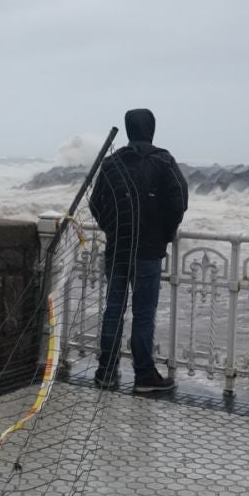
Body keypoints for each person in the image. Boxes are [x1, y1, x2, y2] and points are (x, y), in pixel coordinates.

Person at [88, 108, 188, 393]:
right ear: (152, 129)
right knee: (144, 313)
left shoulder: (112, 163)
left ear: (128, 129)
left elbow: (96, 204)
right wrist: (164, 233)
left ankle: (105, 372)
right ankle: (144, 375)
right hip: (149, 251)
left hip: (118, 249)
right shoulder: (163, 160)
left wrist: (114, 229)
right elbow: (179, 201)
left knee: (114, 309)